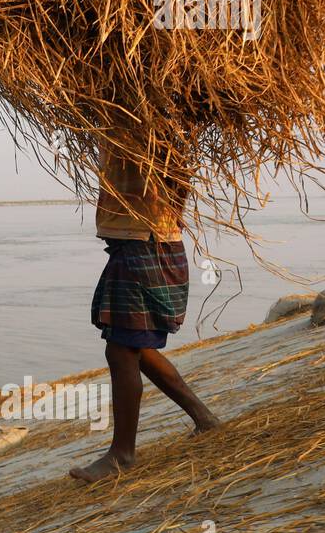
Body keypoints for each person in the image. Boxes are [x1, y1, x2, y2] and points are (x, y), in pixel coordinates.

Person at [70, 146, 221, 483]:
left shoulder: (147, 132)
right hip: (141, 244)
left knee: (121, 349)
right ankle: (203, 417)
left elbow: (178, 177)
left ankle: (121, 455)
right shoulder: (127, 130)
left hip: (147, 245)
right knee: (133, 345)